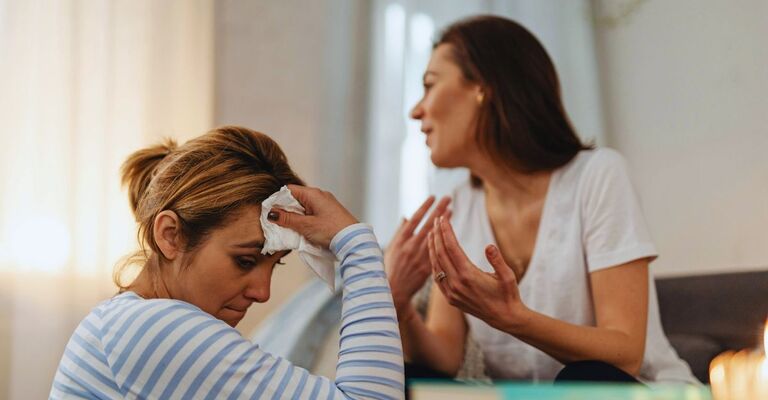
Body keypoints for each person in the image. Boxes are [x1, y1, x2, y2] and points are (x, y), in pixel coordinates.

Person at [384, 15, 696, 383]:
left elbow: (625, 355)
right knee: (399, 382)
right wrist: (398, 304)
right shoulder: (456, 209)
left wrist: (512, 317)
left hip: (631, 390)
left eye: (430, 85)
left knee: (585, 379)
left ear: (483, 88)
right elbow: (444, 361)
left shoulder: (597, 175)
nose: (416, 111)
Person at [50, 126, 404, 399]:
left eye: (274, 264)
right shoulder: (152, 328)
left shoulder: (128, 323)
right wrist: (357, 247)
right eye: (245, 261)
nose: (262, 293)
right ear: (170, 236)